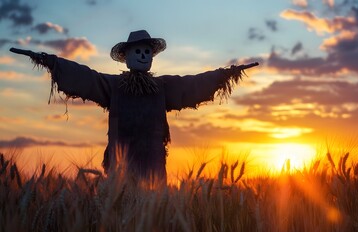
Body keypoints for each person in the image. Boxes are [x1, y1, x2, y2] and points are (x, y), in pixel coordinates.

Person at [10, 30, 258, 180]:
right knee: (123, 212)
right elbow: (86, 77)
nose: (143, 55)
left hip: (153, 163)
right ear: (126, 57)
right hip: (121, 165)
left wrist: (227, 73)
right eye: (138, 51)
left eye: (147, 52)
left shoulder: (162, 87)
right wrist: (49, 61)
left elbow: (193, 84)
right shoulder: (114, 86)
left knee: (150, 214)